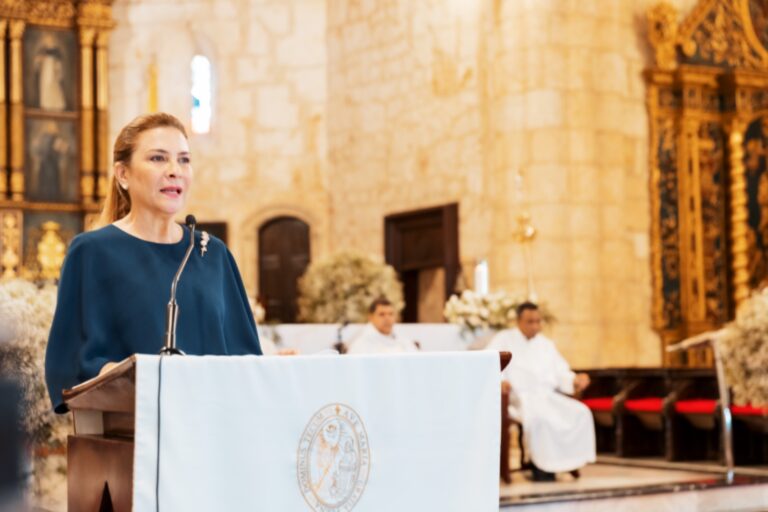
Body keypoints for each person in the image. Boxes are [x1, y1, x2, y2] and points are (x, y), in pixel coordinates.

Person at [44, 113, 262, 413]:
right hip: (134, 435)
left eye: (184, 160)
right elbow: (70, 364)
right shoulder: (92, 252)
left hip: (216, 428)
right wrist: (124, 377)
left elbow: (247, 359)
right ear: (122, 174)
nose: (175, 171)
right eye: (158, 159)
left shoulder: (213, 254)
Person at [486, 302, 595, 481]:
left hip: (547, 396)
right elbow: (491, 365)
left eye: (538, 321)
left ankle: (568, 462)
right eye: (530, 321)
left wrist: (574, 379)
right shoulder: (504, 339)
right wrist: (501, 381)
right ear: (518, 321)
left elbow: (561, 371)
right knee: (541, 420)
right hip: (520, 398)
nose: (535, 326)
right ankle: (542, 466)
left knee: (581, 412)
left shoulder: (546, 344)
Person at [346, 297, 419, 354]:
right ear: (371, 317)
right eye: (382, 314)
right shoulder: (361, 344)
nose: (387, 318)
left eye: (391, 314)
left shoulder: (402, 339)